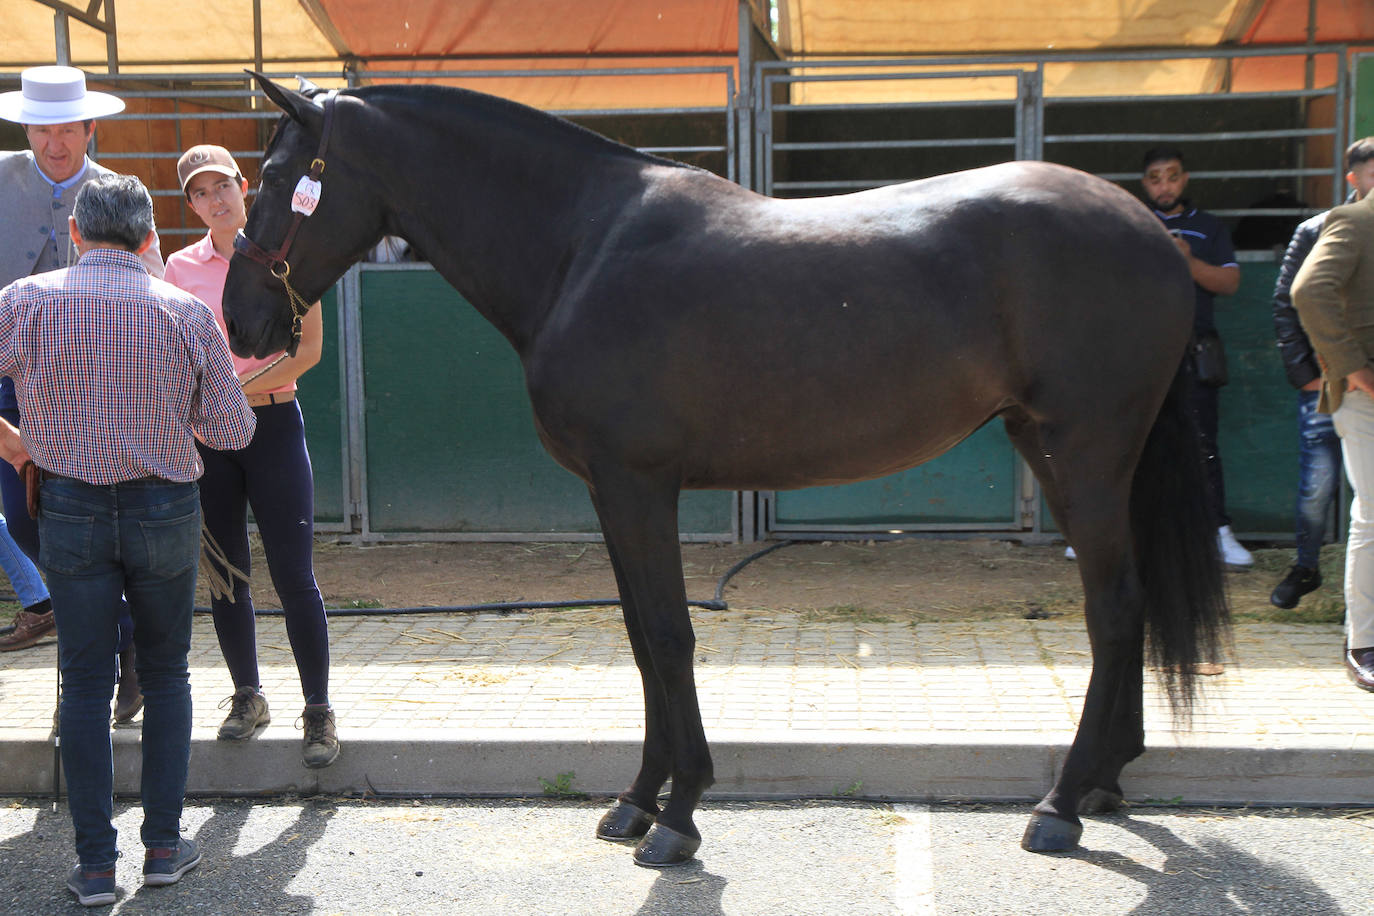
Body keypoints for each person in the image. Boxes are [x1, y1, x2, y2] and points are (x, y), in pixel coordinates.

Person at [0, 173, 254, 905]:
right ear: (150, 240)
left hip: (70, 508)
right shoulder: (184, 311)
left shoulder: (26, 300)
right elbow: (234, 430)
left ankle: (94, 867)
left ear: (77, 234)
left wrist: (16, 444)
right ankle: (165, 848)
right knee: (168, 674)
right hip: (165, 510)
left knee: (81, 681)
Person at [163, 145, 338, 768]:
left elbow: (308, 351)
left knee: (294, 574)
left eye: (224, 187)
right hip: (209, 439)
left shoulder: (287, 256)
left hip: (272, 427)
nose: (216, 200)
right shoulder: (178, 269)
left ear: (244, 187)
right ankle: (247, 696)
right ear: (191, 204)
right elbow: (169, 355)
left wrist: (235, 390)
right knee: (227, 576)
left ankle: (317, 710)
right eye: (201, 193)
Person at [0, 65, 162, 720]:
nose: (53, 144)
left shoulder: (117, 193)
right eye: (42, 130)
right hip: (6, 382)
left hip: (81, 390)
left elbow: (154, 284)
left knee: (77, 532)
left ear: (90, 128)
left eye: (66, 130)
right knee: (23, 523)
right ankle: (113, 644)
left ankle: (106, 660)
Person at [1267, 158, 1374, 608]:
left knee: (1363, 506)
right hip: (1330, 381)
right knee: (1320, 485)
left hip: (1350, 380)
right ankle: (1306, 567)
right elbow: (1289, 302)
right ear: (1353, 177)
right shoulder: (1319, 227)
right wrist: (1309, 374)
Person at [1141, 146, 1253, 568]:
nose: (1164, 186)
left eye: (1172, 176)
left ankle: (1216, 532)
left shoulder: (1208, 227)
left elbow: (1229, 282)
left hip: (1195, 349)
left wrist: (1187, 262)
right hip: (1138, 352)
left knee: (1202, 443)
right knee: (1131, 441)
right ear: (1144, 184)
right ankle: (1118, 530)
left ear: (1184, 180)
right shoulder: (1129, 222)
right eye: (1155, 178)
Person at [1291, 136, 1374, 693]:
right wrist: (1355, 369)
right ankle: (1364, 640)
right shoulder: (1352, 220)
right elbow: (1307, 289)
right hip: (1366, 397)